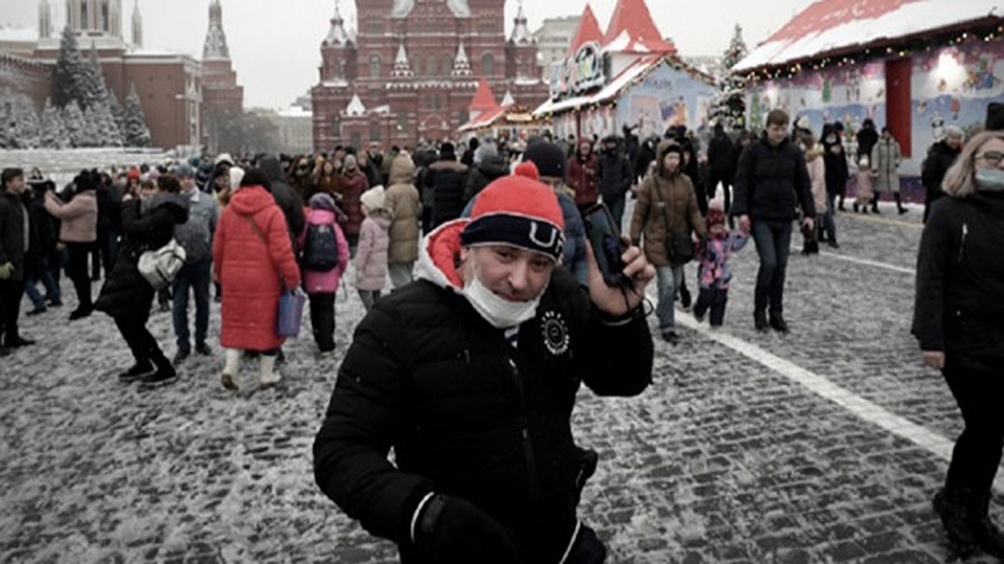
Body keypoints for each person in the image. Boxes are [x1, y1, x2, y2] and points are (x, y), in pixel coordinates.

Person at [313, 174, 655, 564]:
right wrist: (426, 514)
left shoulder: (558, 296)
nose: (520, 280)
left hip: (558, 541)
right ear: (468, 247)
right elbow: (341, 450)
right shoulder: (398, 323)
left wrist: (618, 318)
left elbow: (622, 379)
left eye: (539, 263)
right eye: (505, 255)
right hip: (456, 553)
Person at [912, 129, 1004, 558]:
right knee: (986, 426)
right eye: (992, 159)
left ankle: (970, 508)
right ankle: (959, 511)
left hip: (1001, 337)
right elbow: (930, 278)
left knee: (991, 431)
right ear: (971, 162)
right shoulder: (947, 212)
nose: (999, 167)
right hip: (962, 339)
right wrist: (931, 338)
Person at [94, 174, 189, 387]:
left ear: (164, 191)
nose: (146, 192)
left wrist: (128, 205)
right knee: (123, 318)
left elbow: (132, 227)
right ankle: (143, 361)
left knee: (132, 321)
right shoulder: (155, 209)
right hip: (130, 270)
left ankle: (163, 367)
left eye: (151, 188)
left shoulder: (164, 212)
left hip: (140, 273)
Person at [213, 169, 301, 391]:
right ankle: (266, 375)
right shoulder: (272, 212)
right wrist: (292, 278)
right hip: (264, 278)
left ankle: (230, 369)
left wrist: (220, 274)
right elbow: (282, 251)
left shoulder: (228, 211)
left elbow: (218, 248)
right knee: (268, 326)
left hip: (233, 276)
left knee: (236, 323)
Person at [732, 109, 815, 333]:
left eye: (783, 129)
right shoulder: (753, 151)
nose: (779, 133)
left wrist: (809, 213)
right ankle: (759, 311)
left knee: (781, 266)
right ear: (767, 128)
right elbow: (741, 182)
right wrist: (741, 212)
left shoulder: (794, 153)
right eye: (775, 128)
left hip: (784, 216)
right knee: (769, 262)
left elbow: (803, 185)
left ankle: (776, 312)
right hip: (761, 216)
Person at [629, 142, 706, 344]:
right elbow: (639, 214)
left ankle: (663, 311)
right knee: (668, 283)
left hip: (678, 242)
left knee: (677, 282)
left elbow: (693, 210)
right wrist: (635, 238)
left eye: (676, 158)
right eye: (670, 157)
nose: (673, 162)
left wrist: (702, 232)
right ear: (661, 159)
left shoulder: (686, 182)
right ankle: (668, 326)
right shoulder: (650, 184)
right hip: (657, 240)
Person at [170, 165, 218, 365]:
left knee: (202, 302)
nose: (186, 181)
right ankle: (182, 344)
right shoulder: (172, 202)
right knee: (179, 304)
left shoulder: (208, 201)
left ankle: (200, 339)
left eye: (189, 177)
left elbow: (215, 228)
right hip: (178, 261)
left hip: (202, 259)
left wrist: (212, 251)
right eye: (182, 178)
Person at [300, 192, 350, 357]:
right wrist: (339, 270)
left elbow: (300, 244)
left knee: (314, 306)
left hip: (311, 273)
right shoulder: (334, 225)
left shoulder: (307, 225)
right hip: (330, 274)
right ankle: (327, 343)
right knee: (327, 308)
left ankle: (317, 334)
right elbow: (343, 251)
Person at [44, 170, 99, 321]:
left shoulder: (83, 200)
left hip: (79, 240)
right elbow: (68, 207)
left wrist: (48, 200)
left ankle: (85, 304)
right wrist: (54, 198)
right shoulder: (86, 198)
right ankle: (85, 302)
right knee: (78, 272)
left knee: (78, 273)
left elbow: (62, 212)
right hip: (80, 239)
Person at [692, 198, 750, 328]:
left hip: (723, 273)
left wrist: (744, 234)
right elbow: (697, 255)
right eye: (715, 228)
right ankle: (699, 310)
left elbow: (737, 244)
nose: (718, 230)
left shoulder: (727, 239)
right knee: (706, 296)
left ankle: (716, 322)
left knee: (720, 298)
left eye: (721, 227)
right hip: (707, 273)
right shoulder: (705, 241)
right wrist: (697, 248)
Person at [0, 168, 36, 355]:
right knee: (3, 303)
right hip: (9, 262)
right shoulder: (3, 204)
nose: (24, 183)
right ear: (8, 182)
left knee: (14, 302)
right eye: (19, 180)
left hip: (22, 258)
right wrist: (2, 260)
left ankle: (12, 335)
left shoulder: (20, 202)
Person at [384, 153, 422, 289]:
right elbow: (418, 211)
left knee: (398, 276)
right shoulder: (413, 190)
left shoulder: (391, 192)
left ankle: (407, 297)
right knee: (407, 271)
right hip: (411, 237)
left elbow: (387, 215)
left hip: (396, 239)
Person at [354, 186, 391, 312]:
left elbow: (364, 248)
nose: (361, 207)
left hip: (368, 267)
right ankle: (378, 313)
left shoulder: (368, 224)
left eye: (364, 205)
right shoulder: (383, 222)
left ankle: (373, 314)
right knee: (376, 292)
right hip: (379, 266)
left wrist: (359, 267)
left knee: (363, 291)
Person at [921, 126, 964, 223]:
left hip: (956, 202)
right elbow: (928, 179)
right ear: (946, 138)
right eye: (953, 138)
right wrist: (943, 191)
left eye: (958, 138)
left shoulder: (961, 155)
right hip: (937, 200)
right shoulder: (936, 154)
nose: (955, 141)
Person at [426, 142, 469, 229]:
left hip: (439, 207)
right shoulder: (462, 168)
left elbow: (428, 183)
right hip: (456, 206)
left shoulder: (433, 168)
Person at [596, 135, 634, 231]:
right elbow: (598, 175)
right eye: (608, 143)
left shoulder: (622, 160)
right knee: (607, 220)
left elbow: (629, 177)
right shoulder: (602, 160)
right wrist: (602, 186)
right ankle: (609, 238)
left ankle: (617, 238)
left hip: (618, 196)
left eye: (612, 143)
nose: (610, 146)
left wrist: (621, 188)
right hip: (606, 195)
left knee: (616, 220)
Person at [821, 123, 848, 247]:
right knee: (827, 211)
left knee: (827, 209)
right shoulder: (821, 148)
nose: (831, 138)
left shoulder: (839, 147)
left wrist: (844, 177)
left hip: (834, 182)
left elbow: (843, 164)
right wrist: (830, 154)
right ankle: (830, 236)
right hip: (823, 183)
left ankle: (822, 232)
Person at [800, 129, 827, 255]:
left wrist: (811, 193)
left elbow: (819, 178)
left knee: (812, 218)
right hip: (805, 191)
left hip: (815, 193)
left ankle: (810, 243)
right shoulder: (804, 158)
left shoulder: (817, 158)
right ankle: (809, 242)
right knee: (804, 218)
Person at [338, 154, 370, 248]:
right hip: (356, 209)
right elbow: (366, 191)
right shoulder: (362, 177)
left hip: (349, 208)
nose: (350, 166)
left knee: (351, 236)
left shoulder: (341, 178)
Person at [872, 126, 906, 214]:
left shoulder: (895, 145)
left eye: (888, 133)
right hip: (881, 170)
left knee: (896, 189)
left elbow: (898, 155)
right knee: (878, 189)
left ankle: (899, 207)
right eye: (884, 133)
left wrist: (896, 162)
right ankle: (874, 206)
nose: (886, 135)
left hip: (892, 170)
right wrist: (875, 167)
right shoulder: (878, 145)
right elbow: (875, 157)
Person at [707, 123, 738, 216]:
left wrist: (711, 164)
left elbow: (710, 153)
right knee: (726, 189)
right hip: (726, 168)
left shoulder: (713, 141)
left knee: (712, 188)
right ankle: (727, 207)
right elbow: (733, 153)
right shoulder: (728, 140)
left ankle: (710, 204)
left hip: (715, 168)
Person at [566, 137, 599, 215]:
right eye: (583, 148)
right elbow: (568, 175)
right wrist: (574, 183)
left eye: (587, 148)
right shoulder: (572, 161)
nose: (585, 150)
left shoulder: (595, 160)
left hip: (591, 196)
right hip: (577, 196)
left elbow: (599, 175)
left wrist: (592, 175)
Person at [854, 119, 879, 212]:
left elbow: (859, 144)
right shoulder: (874, 134)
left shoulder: (860, 134)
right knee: (870, 183)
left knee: (862, 183)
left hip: (862, 158)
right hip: (871, 158)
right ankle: (868, 202)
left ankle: (860, 201)